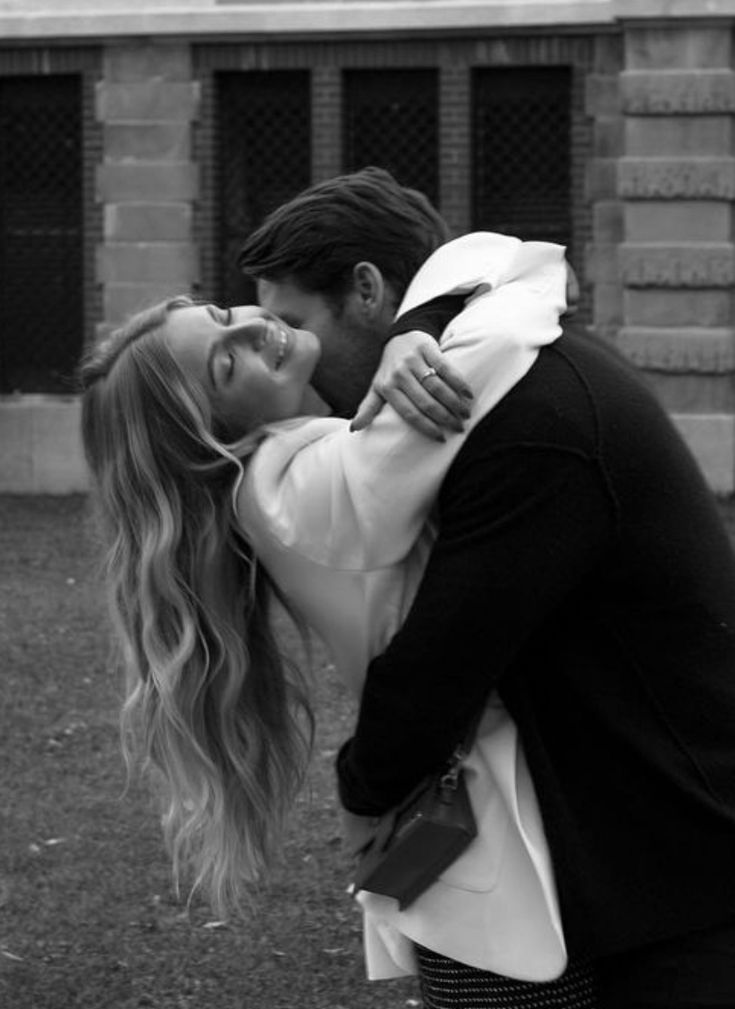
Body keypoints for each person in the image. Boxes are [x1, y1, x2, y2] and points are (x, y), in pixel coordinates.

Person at [236, 167, 735, 1009]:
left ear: (365, 291)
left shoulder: (514, 411)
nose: (299, 352)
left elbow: (439, 667)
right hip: (638, 836)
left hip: (685, 861)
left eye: (294, 323)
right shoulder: (515, 362)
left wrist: (364, 796)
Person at [80, 215, 597, 1005]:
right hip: (504, 861)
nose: (259, 326)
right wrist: (416, 331)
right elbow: (520, 293)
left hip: (471, 846)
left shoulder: (280, 481)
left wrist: (408, 329)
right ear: (203, 437)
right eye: (228, 361)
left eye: (227, 314)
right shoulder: (301, 489)